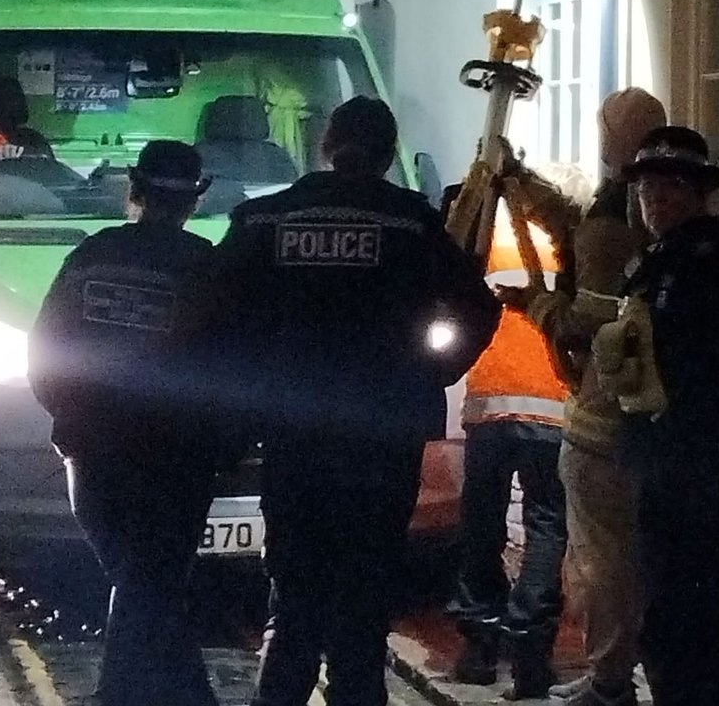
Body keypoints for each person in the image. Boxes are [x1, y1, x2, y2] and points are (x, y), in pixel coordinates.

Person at [204, 96, 500, 706]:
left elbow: (211, 313)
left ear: (325, 145)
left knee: (295, 592)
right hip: (381, 440)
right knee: (364, 596)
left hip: (295, 436)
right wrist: (436, 370)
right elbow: (479, 307)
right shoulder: (412, 224)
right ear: (390, 155)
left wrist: (244, 393)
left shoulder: (266, 220)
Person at [27, 141, 230, 706]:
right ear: (195, 199)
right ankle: (180, 694)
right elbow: (232, 367)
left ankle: (129, 693)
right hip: (180, 456)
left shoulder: (94, 255)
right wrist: (222, 442)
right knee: (152, 579)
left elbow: (45, 349)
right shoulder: (207, 266)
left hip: (92, 447)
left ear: (134, 189)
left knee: (136, 576)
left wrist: (68, 417)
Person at [509, 89, 666, 706]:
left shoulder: (624, 217)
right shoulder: (659, 207)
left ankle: (609, 682)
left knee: (603, 565)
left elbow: (587, 325)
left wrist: (534, 305)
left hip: (604, 425)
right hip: (654, 429)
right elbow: (574, 224)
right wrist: (524, 184)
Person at [447, 172, 581, 702]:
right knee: (547, 527)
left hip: (490, 398)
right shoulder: (568, 235)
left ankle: (478, 646)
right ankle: (530, 651)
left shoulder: (485, 234)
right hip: (552, 400)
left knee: (481, 522)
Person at [608, 126, 719, 706]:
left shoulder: (706, 260)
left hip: (696, 466)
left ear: (698, 192)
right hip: (663, 462)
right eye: (646, 188)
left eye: (668, 188)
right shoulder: (653, 262)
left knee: (686, 619)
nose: (653, 200)